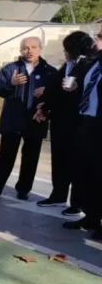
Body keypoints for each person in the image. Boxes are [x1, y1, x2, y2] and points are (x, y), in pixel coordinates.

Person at [0, 37, 57, 200]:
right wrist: (11, 83)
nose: (30, 51)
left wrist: (46, 109)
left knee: (30, 157)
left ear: (40, 49)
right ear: (21, 51)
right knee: (5, 156)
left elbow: (56, 98)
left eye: (33, 47)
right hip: (13, 120)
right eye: (26, 48)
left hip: (35, 121)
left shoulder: (49, 71)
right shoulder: (11, 69)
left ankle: (23, 189)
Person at [35, 31, 94, 215]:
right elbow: (55, 89)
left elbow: (88, 92)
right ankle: (58, 195)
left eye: (67, 48)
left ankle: (77, 203)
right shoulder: (68, 65)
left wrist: (76, 90)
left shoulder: (88, 65)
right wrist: (44, 107)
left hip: (78, 121)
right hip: (60, 119)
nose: (64, 52)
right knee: (59, 158)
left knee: (77, 162)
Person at [60, 32, 102, 238]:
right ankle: (91, 216)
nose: (96, 40)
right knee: (86, 173)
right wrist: (76, 88)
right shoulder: (94, 63)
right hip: (87, 122)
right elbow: (90, 90)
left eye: (101, 36)